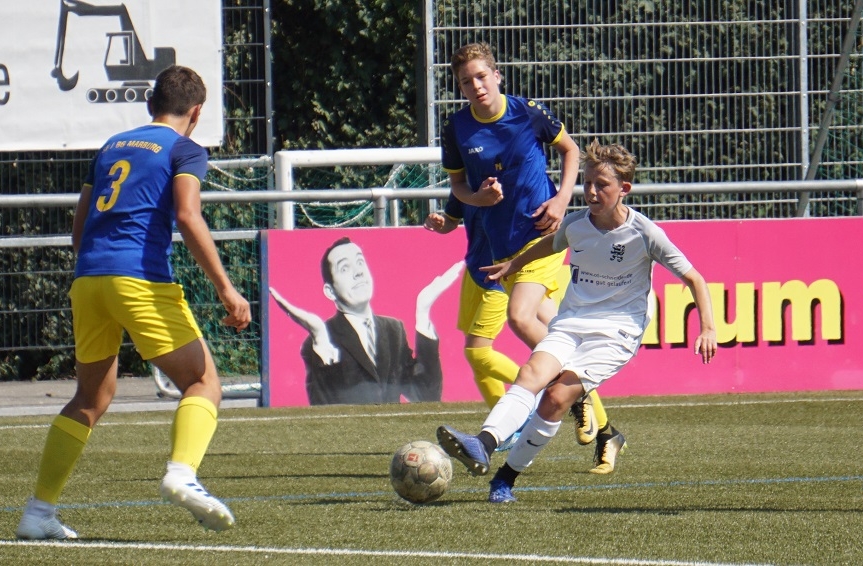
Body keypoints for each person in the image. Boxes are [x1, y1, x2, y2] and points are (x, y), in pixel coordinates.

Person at [15, 65, 252, 540]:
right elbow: (188, 215)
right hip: (138, 279)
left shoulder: (111, 146)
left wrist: (100, 264)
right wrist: (227, 288)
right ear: (196, 112)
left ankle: (38, 513)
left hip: (89, 279)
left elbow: (79, 229)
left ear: (151, 104)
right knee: (203, 382)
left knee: (91, 398)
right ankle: (181, 474)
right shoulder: (184, 149)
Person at [436, 140, 717, 502]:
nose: (592, 192)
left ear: (624, 189)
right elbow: (551, 242)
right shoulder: (577, 224)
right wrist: (513, 264)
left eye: (602, 185)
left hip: (617, 333)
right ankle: (484, 444)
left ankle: (505, 479)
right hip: (571, 322)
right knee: (531, 374)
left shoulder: (645, 233)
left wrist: (708, 328)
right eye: (587, 183)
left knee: (556, 397)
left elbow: (695, 279)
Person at [441, 42, 623, 472]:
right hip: (499, 248)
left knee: (519, 318)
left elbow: (571, 150)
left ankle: (554, 401)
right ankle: (603, 426)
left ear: (497, 75)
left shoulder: (527, 112)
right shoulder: (457, 128)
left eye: (481, 76)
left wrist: (561, 199)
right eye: (466, 81)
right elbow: (459, 188)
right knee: (555, 331)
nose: (476, 86)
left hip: (543, 236)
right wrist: (477, 198)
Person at [269, 237, 460, 405]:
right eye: (345, 268)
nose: (358, 273)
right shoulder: (320, 340)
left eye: (360, 262)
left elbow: (426, 396)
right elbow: (322, 411)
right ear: (330, 291)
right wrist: (321, 341)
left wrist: (423, 312)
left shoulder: (393, 330)